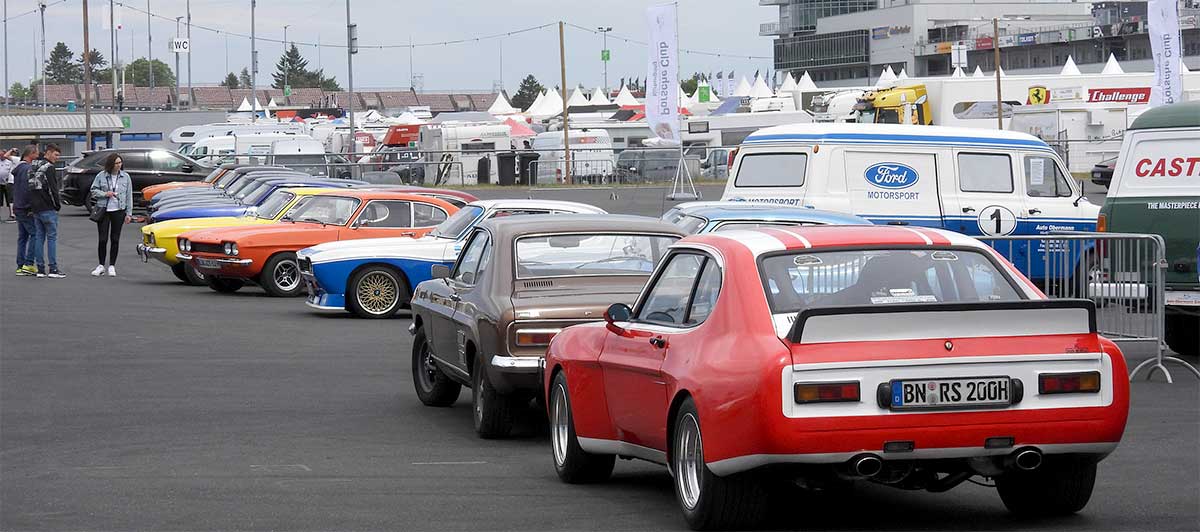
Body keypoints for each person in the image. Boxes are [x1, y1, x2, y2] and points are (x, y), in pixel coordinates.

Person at [89, 153, 133, 277]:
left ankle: (112, 265)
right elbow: (93, 190)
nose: (119, 165)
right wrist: (105, 194)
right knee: (102, 239)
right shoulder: (101, 176)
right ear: (111, 164)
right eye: (116, 163)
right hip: (104, 210)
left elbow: (129, 196)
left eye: (120, 163)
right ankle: (101, 265)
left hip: (119, 210)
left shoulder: (126, 177)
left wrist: (129, 213)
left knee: (115, 239)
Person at [28, 144, 64, 278]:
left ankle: (40, 269)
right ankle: (53, 269)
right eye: (56, 154)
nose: (57, 157)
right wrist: (57, 205)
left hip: (35, 207)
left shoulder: (33, 166)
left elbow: (30, 186)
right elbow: (53, 189)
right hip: (47, 207)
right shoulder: (49, 168)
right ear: (48, 153)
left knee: (39, 237)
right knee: (52, 238)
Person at [11, 145, 39, 276]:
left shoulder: (18, 168)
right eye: (36, 153)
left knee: (22, 237)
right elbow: (27, 189)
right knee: (34, 234)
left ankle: (20, 265)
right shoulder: (28, 169)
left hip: (17, 206)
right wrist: (31, 207)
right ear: (31, 154)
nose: (38, 156)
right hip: (25, 207)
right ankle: (28, 264)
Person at [0, 148, 17, 222]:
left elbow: (11, 171)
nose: (1, 156)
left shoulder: (10, 162)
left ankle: (12, 215)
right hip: (0, 183)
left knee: (9, 200)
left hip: (8, 183)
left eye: (2, 155)